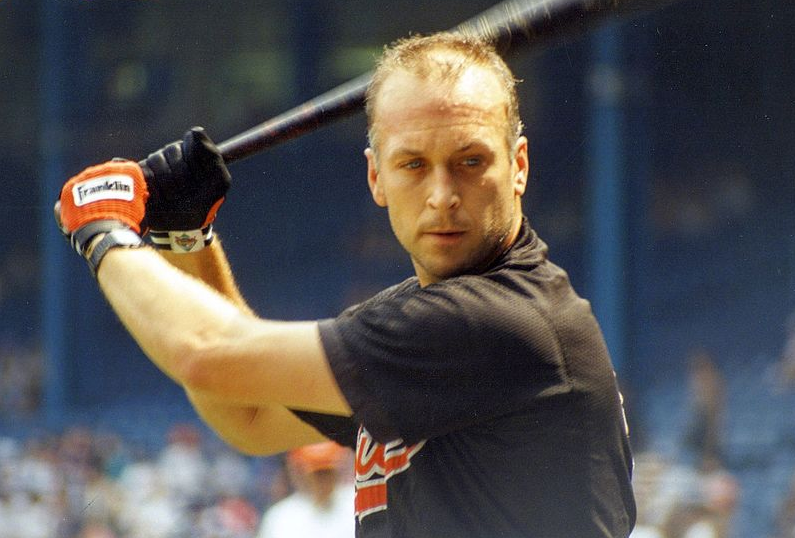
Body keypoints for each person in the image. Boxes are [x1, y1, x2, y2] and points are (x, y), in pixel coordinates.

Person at [55, 31, 636, 537]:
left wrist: (105, 234)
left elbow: (205, 354)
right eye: (413, 164)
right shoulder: (419, 319)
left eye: (470, 161)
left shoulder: (500, 321)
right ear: (375, 176)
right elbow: (251, 416)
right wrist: (186, 238)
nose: (441, 195)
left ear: (520, 166)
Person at [257, 441, 353, 538]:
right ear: (300, 472)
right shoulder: (280, 517)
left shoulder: (356, 504)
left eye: (327, 472)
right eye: (317, 473)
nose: (322, 480)